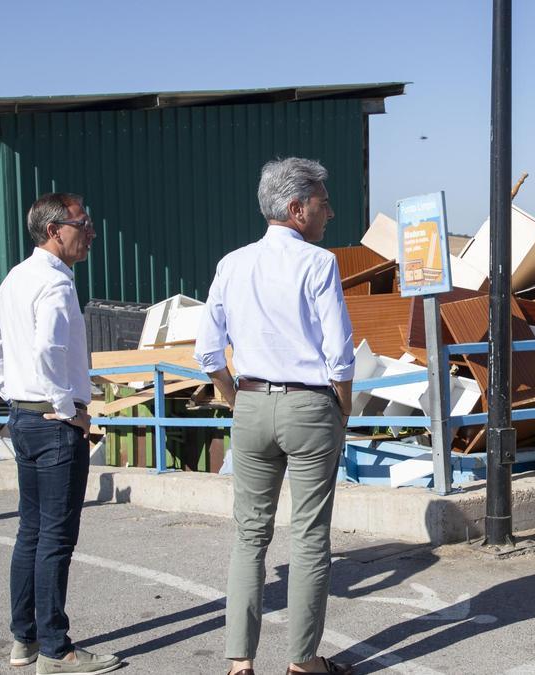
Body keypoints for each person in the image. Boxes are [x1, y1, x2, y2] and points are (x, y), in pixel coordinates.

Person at [195, 157, 356, 675]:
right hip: (309, 405)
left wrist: (231, 394)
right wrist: (344, 406)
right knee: (309, 535)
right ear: (296, 208)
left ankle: (240, 662)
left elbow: (207, 350)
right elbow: (340, 352)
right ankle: (303, 662)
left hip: (251, 402)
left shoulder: (231, 263)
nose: (329, 211)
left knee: (250, 535)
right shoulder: (318, 263)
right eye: (322, 203)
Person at [0, 193, 121, 674]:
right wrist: (66, 409)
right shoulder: (56, 285)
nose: (91, 232)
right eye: (85, 222)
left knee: (31, 533)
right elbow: (47, 352)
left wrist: (12, 391)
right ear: (56, 229)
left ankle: (25, 640)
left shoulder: (18, 276)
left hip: (23, 417)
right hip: (55, 425)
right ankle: (57, 650)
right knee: (56, 539)